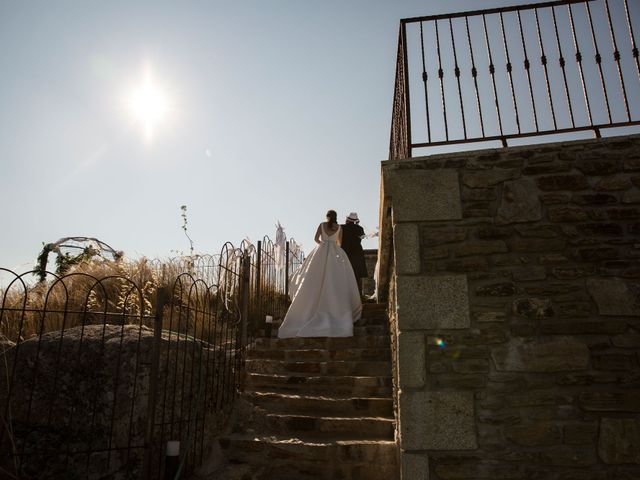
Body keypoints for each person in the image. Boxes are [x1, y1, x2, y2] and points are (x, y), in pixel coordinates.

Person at [277, 210, 362, 338]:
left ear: (327, 217)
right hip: (334, 252)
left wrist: (323, 244)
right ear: (336, 217)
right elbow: (339, 242)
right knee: (335, 280)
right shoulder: (339, 228)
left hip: (320, 252)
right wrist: (332, 245)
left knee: (312, 278)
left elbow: (316, 238)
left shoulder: (322, 225)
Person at [340, 212, 368, 296]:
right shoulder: (359, 229)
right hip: (357, 253)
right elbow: (362, 237)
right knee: (357, 276)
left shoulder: (341, 227)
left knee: (344, 276)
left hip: (345, 253)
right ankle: (359, 296)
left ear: (347, 220)